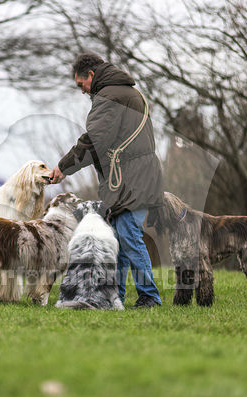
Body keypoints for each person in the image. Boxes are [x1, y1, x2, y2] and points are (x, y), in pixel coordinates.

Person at [50, 53, 163, 308]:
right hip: (132, 176)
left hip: (133, 177)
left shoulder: (109, 96)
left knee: (129, 234)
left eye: (81, 85)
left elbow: (94, 140)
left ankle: (149, 296)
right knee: (120, 237)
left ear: (90, 75)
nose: (82, 91)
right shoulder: (119, 92)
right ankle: (115, 297)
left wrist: (63, 166)